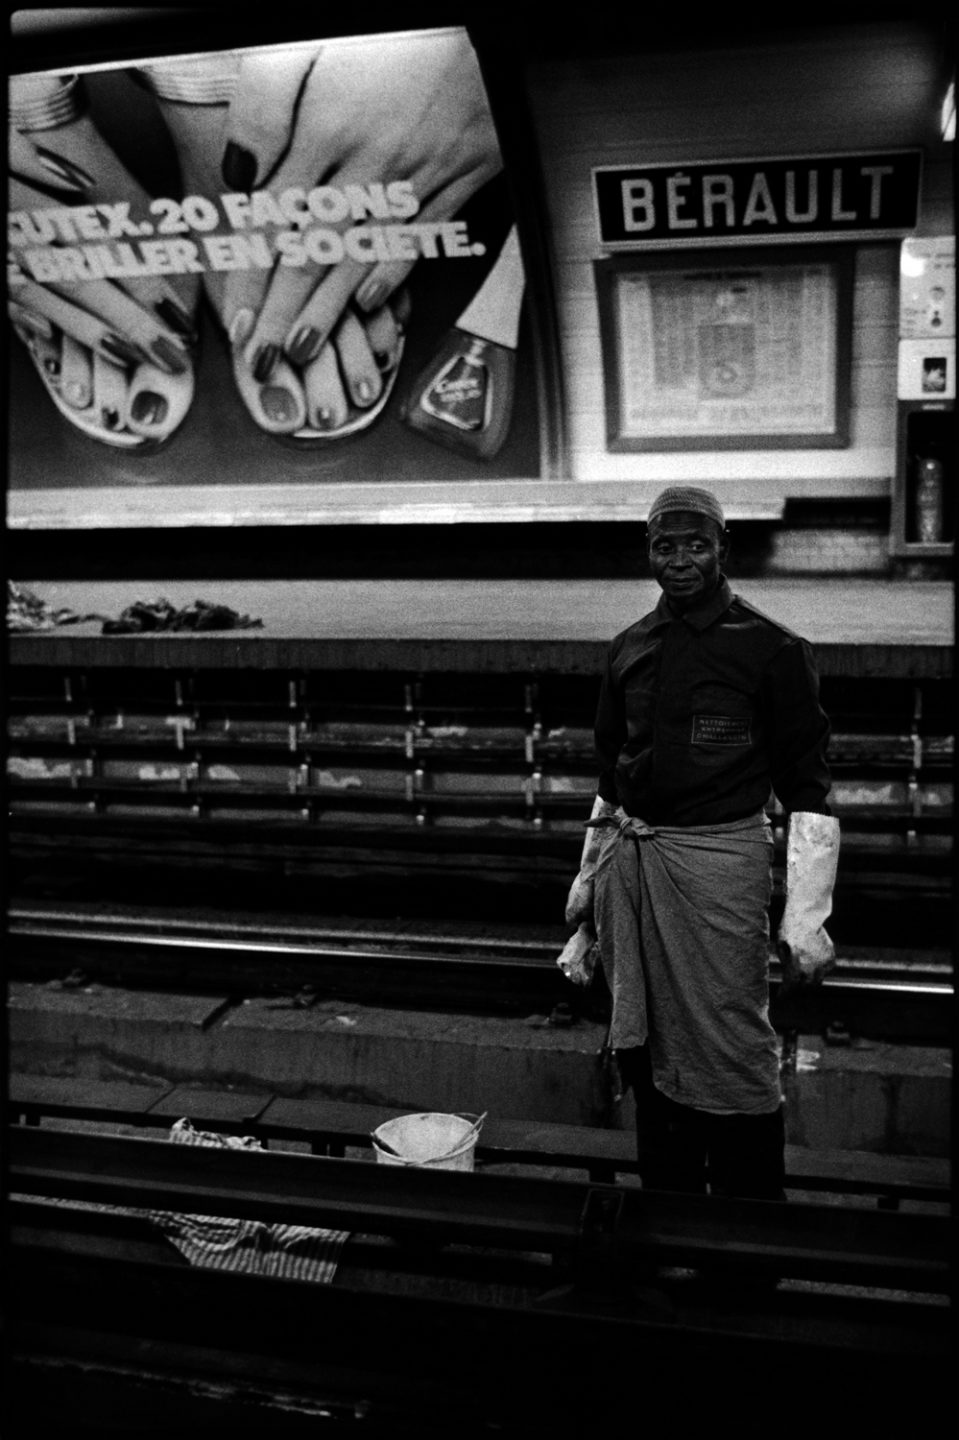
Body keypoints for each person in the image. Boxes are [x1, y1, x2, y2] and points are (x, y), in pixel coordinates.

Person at [563, 485, 839, 1202]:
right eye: (664, 545)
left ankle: (747, 1243)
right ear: (647, 552)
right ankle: (670, 1219)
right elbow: (610, 779)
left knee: (729, 1038)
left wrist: (804, 917)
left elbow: (807, 787)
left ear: (722, 549)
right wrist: (585, 897)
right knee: (646, 1039)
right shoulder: (629, 647)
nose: (679, 560)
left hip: (719, 870)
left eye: (694, 544)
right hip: (634, 864)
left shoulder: (773, 651)